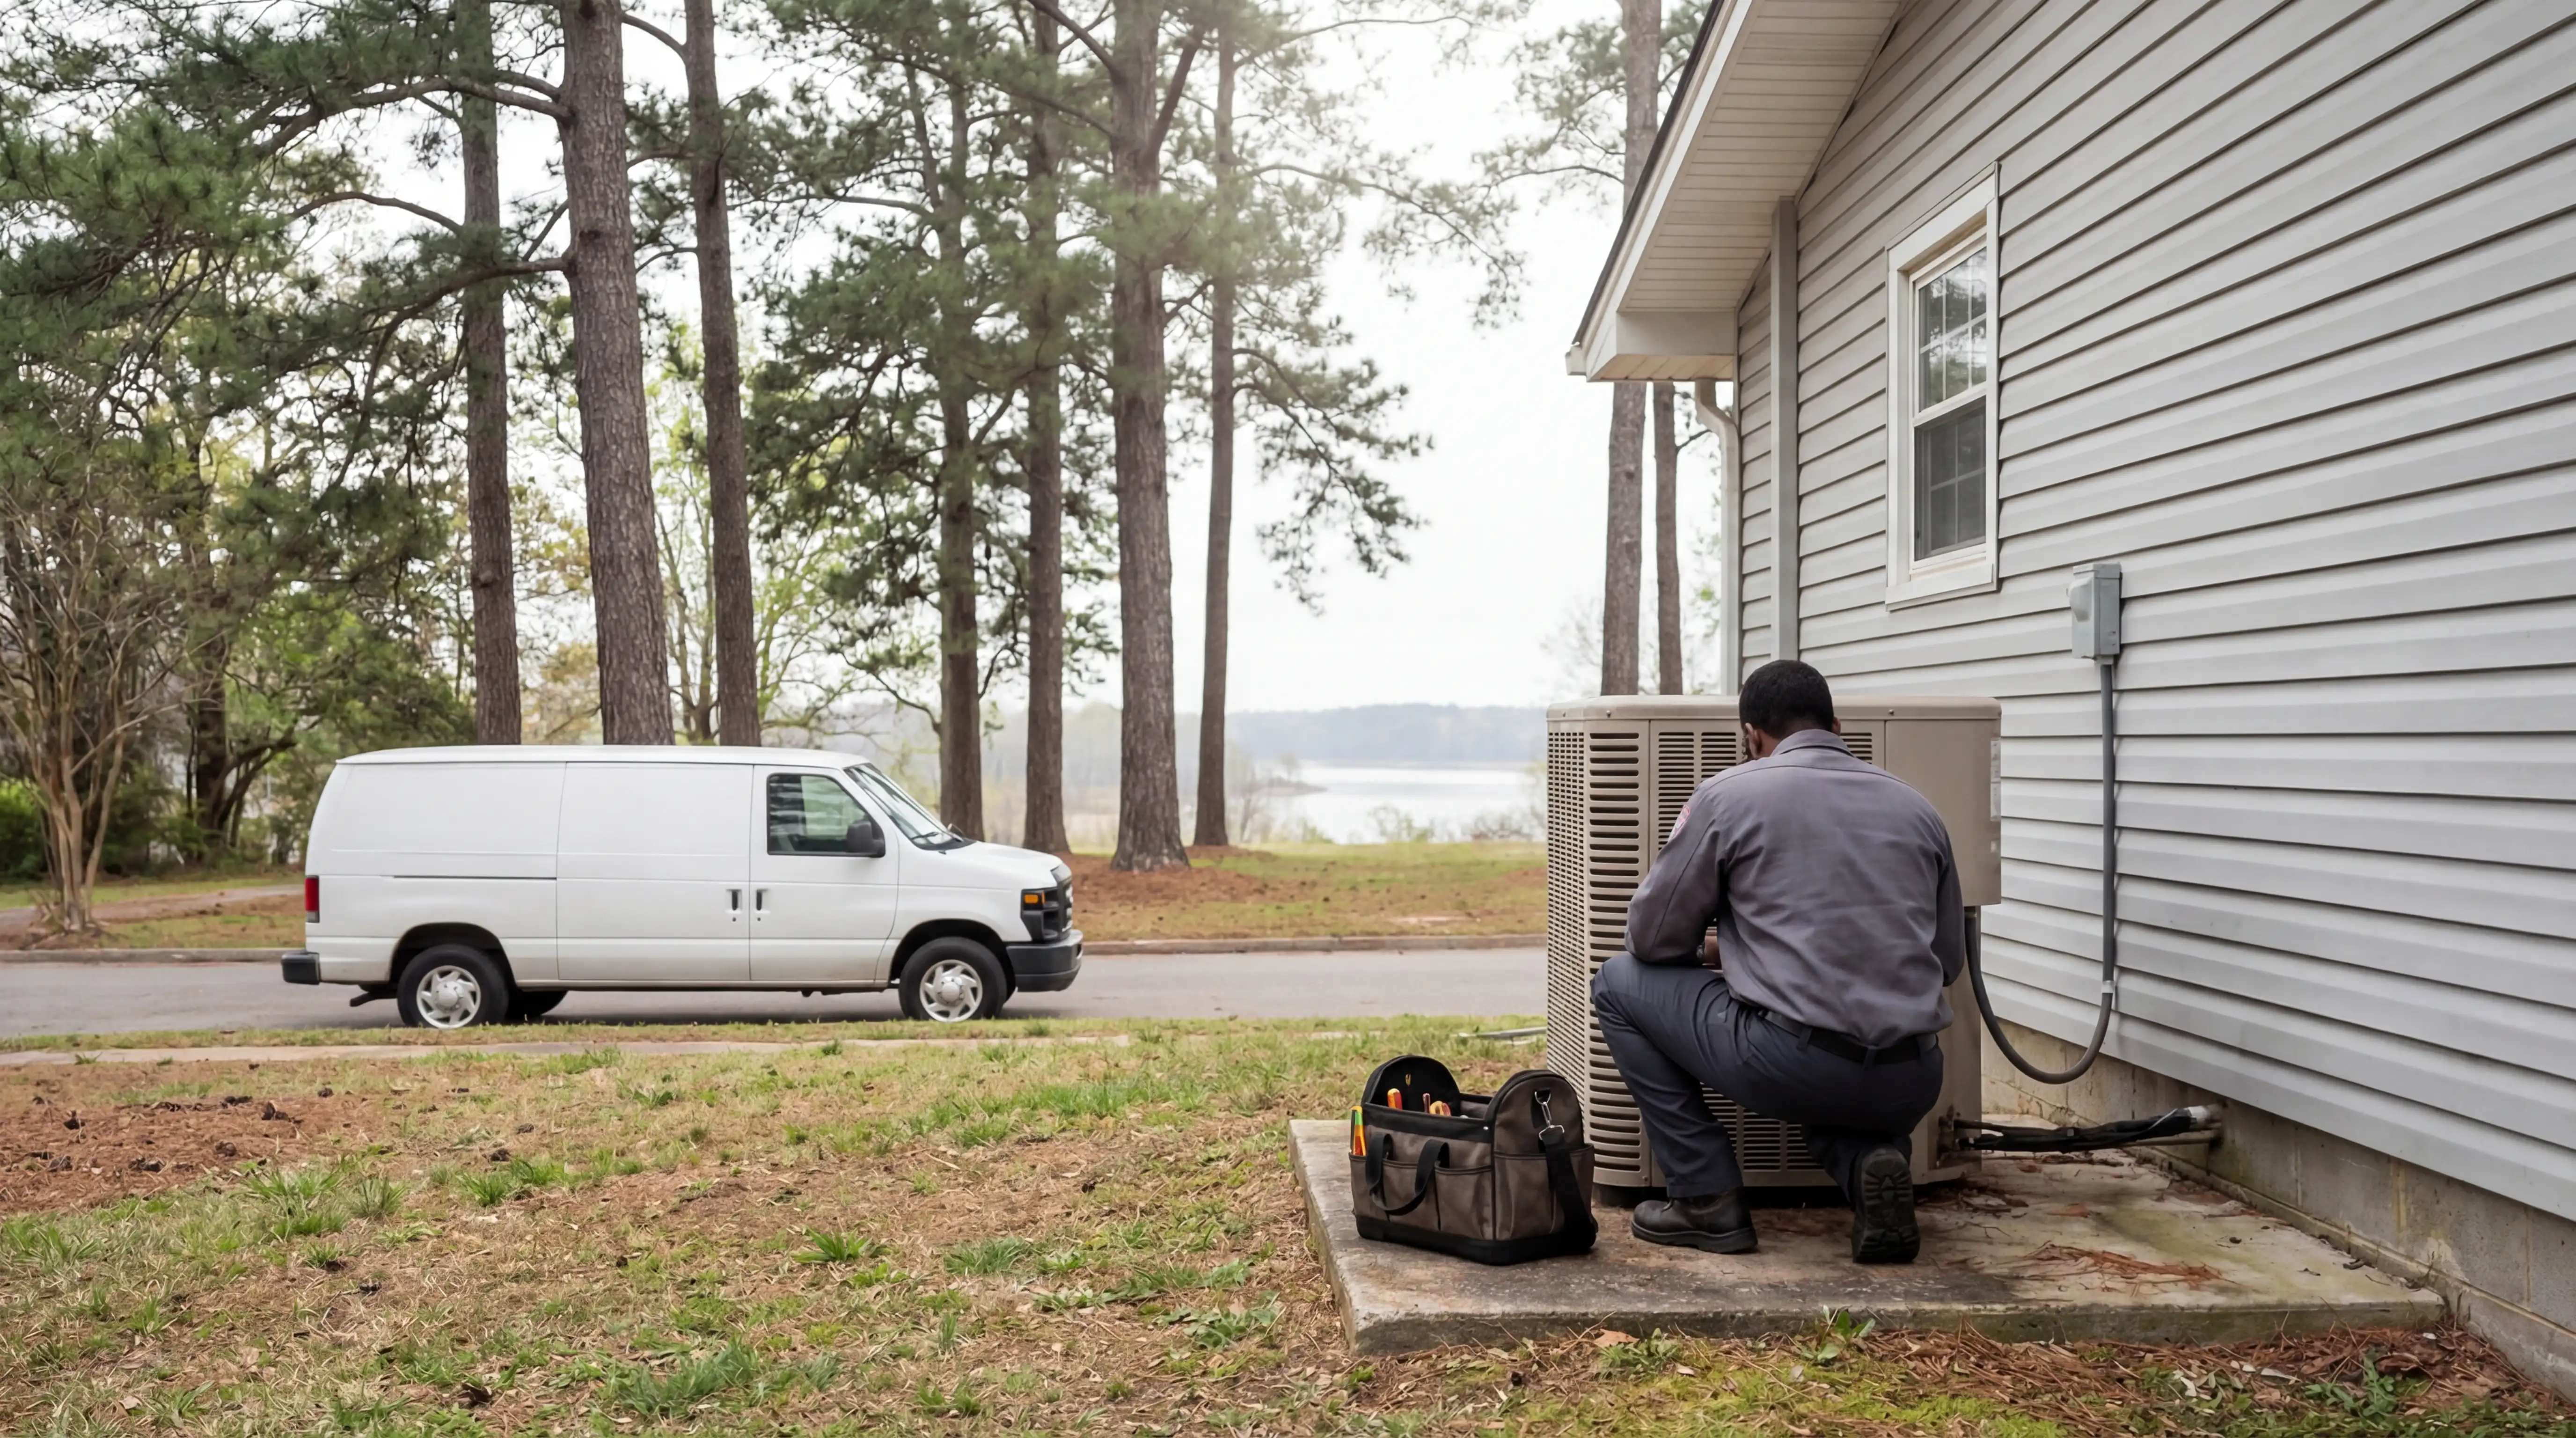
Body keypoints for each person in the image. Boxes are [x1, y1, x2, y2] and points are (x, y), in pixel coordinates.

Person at [1589, 659, 1965, 1263]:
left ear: (1752, 736)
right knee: (1833, 1079)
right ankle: (1870, 1166)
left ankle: (1705, 1198)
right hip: (1911, 1077)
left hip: (1795, 1065)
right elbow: (1947, 963)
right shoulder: (1919, 810)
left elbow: (1652, 939)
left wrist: (1723, 951)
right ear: (1838, 726)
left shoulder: (1729, 795)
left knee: (1616, 983)